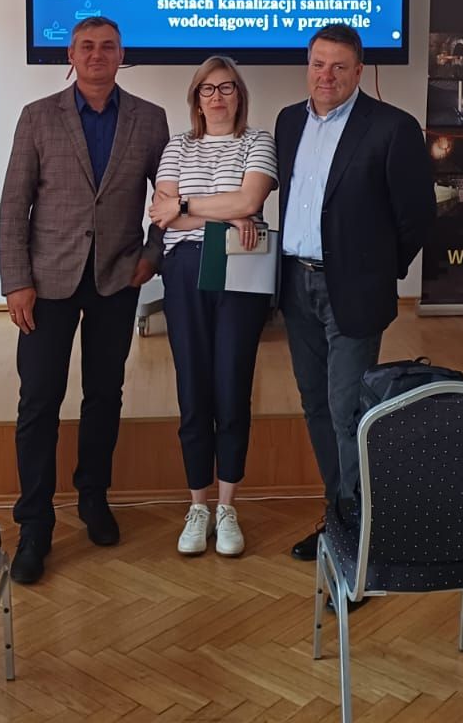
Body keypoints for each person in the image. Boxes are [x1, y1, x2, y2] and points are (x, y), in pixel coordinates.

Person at [0, 16, 168, 584]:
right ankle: (35, 523)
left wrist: (153, 254)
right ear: (70, 55)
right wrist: (16, 280)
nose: (97, 55)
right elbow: (14, 204)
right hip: (46, 283)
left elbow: (168, 197)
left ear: (122, 55)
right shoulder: (38, 117)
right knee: (38, 402)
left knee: (104, 396)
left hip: (116, 278)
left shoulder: (149, 118)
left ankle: (93, 497)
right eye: (87, 46)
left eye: (108, 47)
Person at [275, 24, 434, 565]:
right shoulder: (288, 121)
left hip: (355, 291)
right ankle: (339, 515)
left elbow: (417, 216)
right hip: (296, 284)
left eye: (339, 66)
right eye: (318, 64)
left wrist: (377, 271)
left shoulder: (392, 127)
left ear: (359, 71)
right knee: (316, 405)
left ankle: (362, 540)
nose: (327, 76)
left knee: (348, 411)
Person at [147, 56, 277, 557]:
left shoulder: (258, 141)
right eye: (208, 89)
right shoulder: (177, 146)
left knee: (232, 384)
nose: (217, 97)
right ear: (196, 99)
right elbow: (163, 217)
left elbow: (249, 202)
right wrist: (223, 211)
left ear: (239, 95)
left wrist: (189, 206)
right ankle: (198, 506)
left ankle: (227, 507)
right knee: (193, 387)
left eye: (226, 88)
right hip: (185, 268)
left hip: (240, 267)